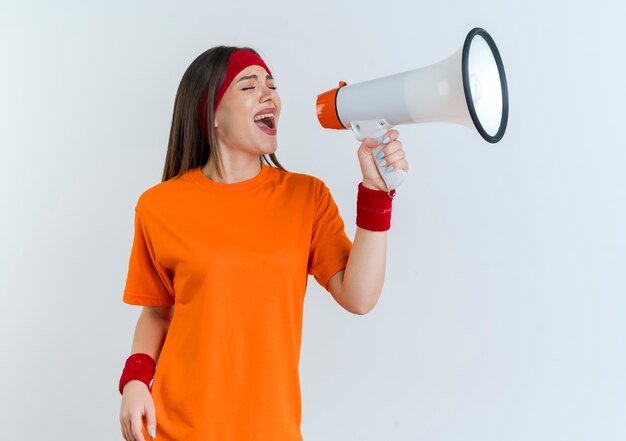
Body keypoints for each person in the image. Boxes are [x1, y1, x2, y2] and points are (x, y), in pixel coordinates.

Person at [118, 46, 408, 441]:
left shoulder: (307, 197)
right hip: (174, 428)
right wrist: (135, 381)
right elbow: (156, 313)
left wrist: (376, 192)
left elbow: (359, 297)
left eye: (272, 85)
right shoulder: (159, 206)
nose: (270, 94)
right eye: (249, 85)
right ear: (212, 113)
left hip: (272, 430)